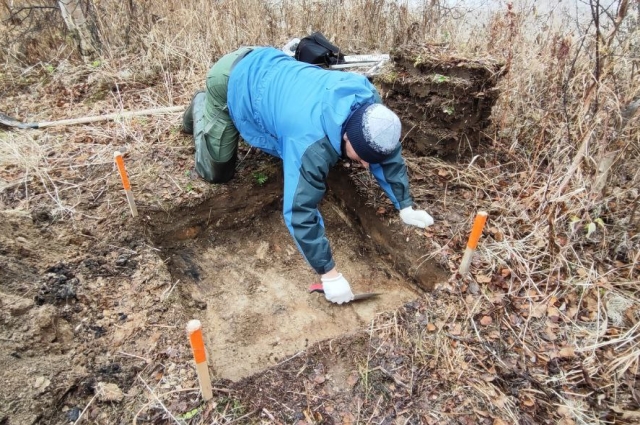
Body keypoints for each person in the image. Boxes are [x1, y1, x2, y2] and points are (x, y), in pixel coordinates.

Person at [183, 46, 434, 304]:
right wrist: (329, 274)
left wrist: (404, 205)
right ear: (347, 136)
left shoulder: (371, 107)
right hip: (230, 79)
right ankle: (201, 105)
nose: (367, 167)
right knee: (216, 171)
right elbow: (299, 210)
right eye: (360, 159)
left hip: (273, 70)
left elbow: (385, 151)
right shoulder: (309, 140)